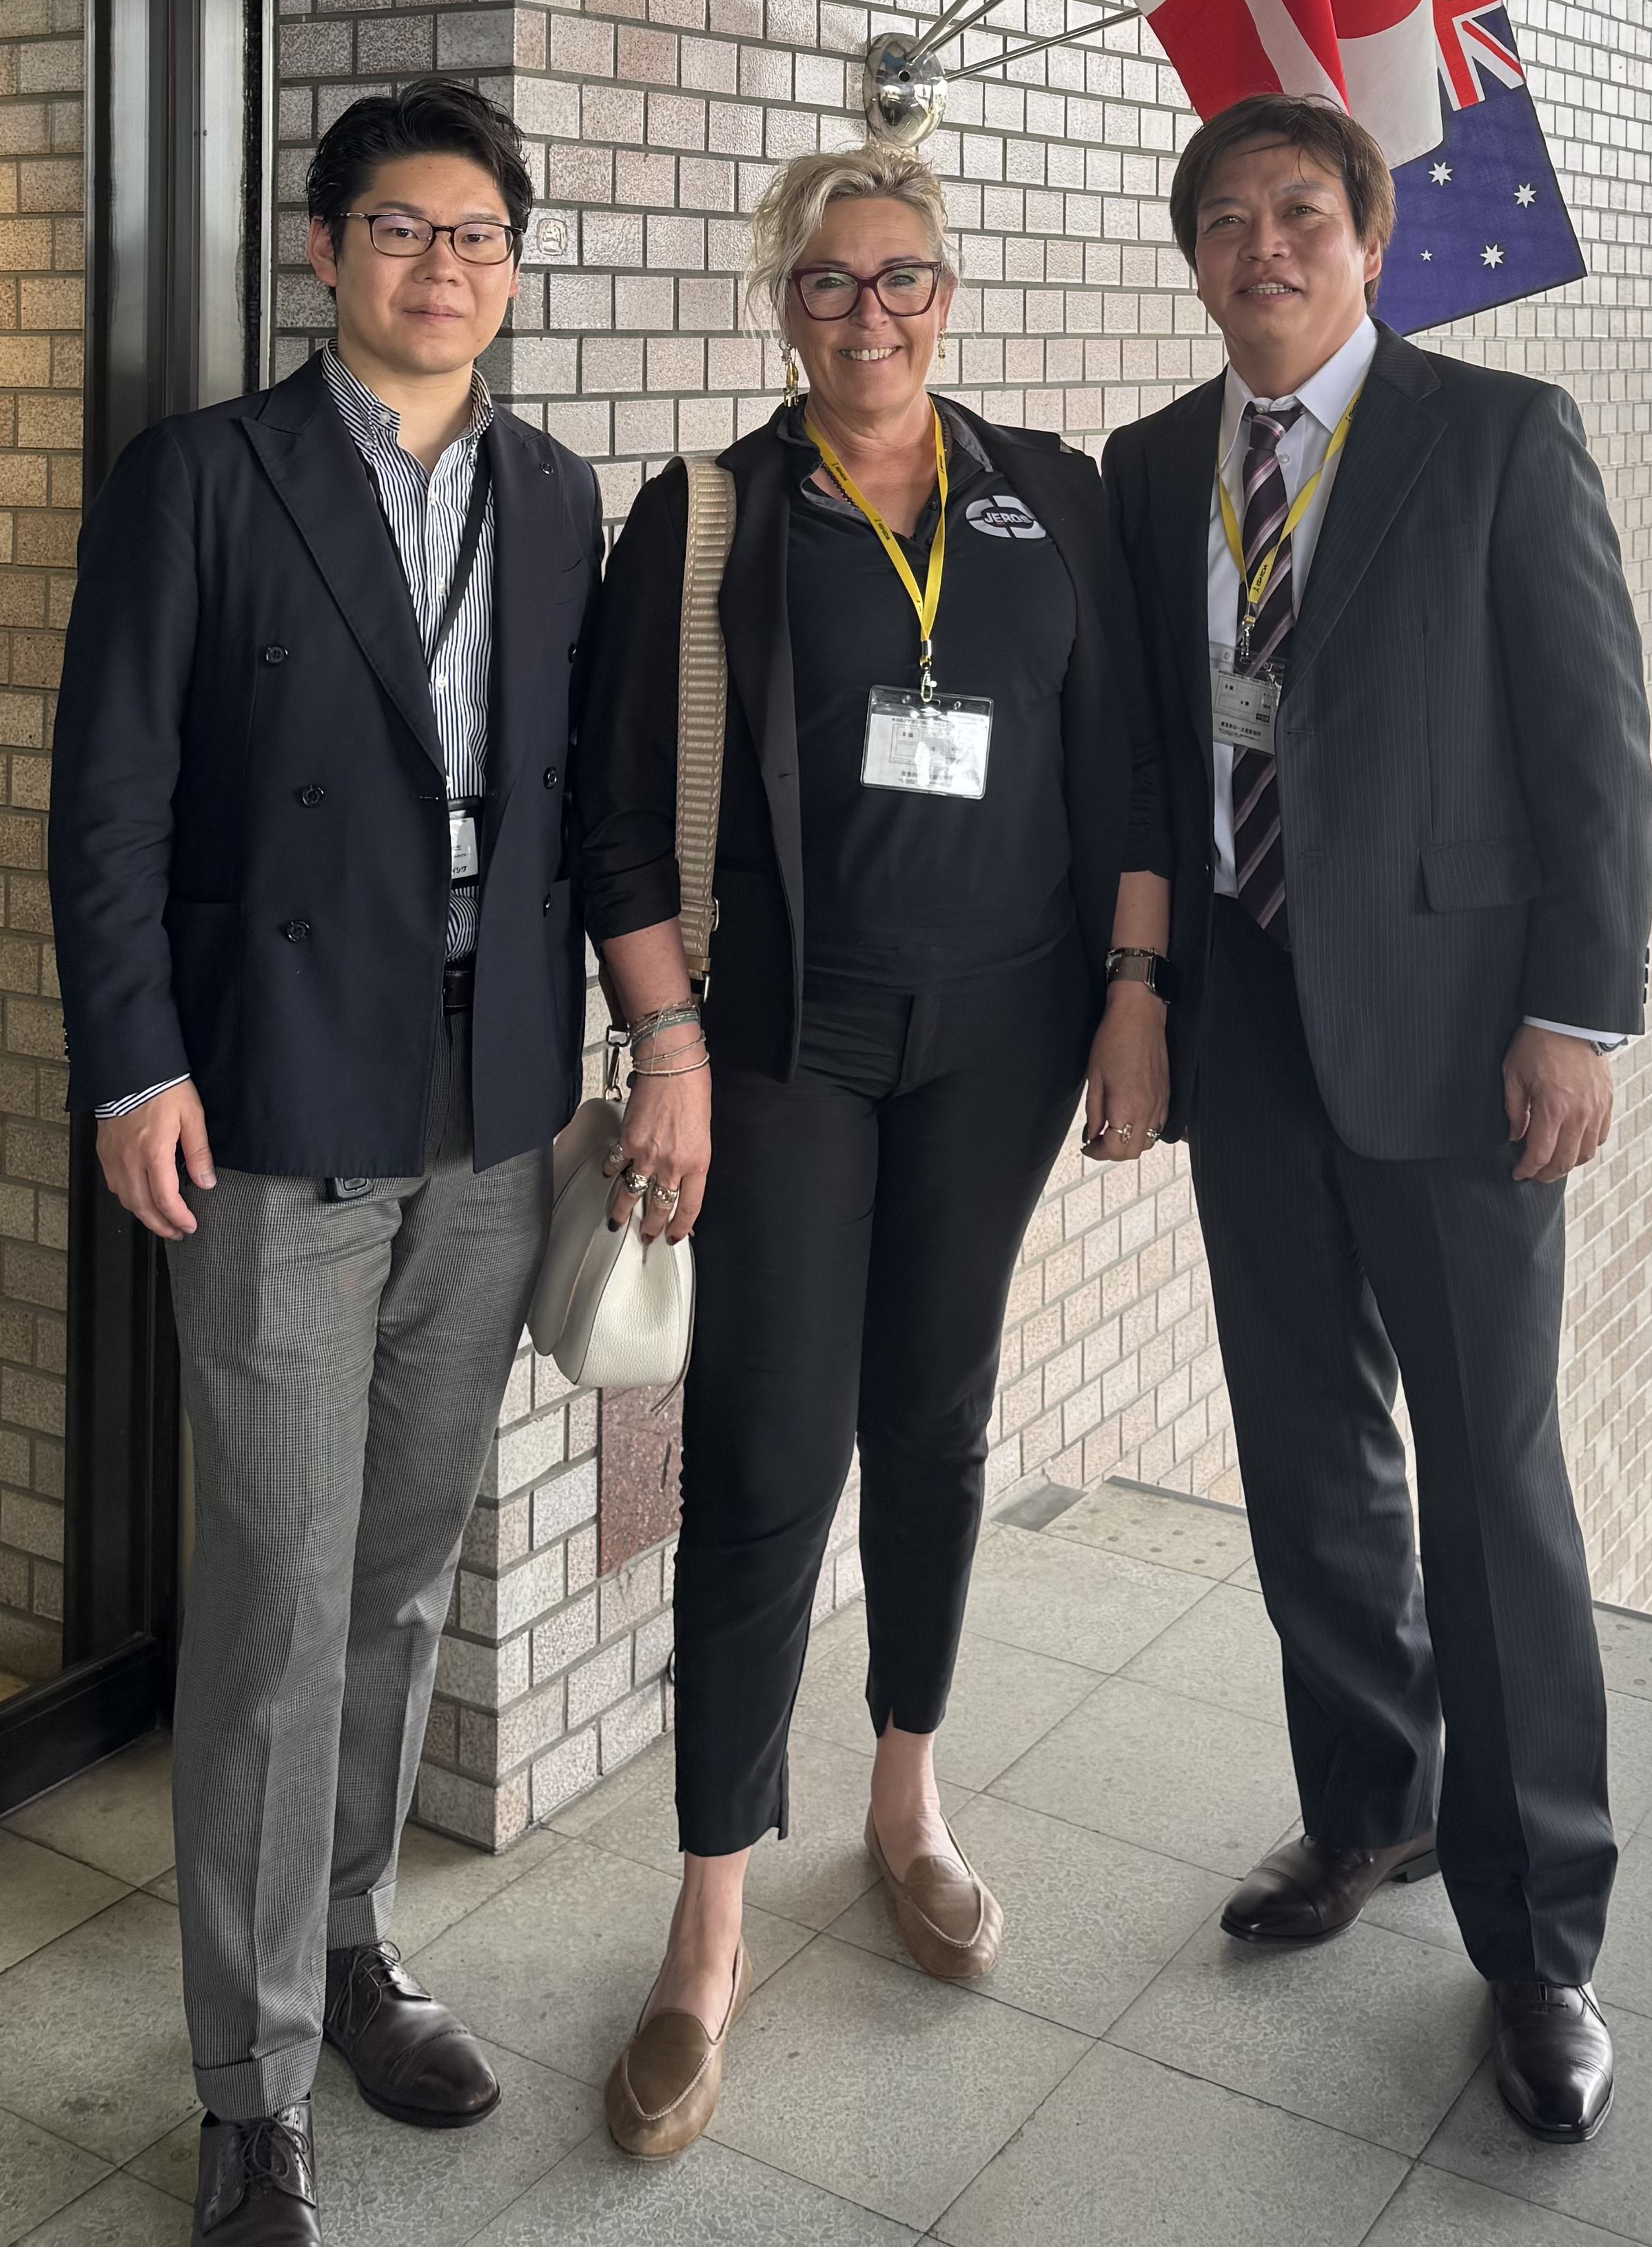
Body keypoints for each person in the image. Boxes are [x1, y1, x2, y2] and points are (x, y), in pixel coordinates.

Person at [573, 144, 1172, 2161]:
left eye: (904, 279)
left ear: (949, 292)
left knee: (936, 1417)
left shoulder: (1049, 501)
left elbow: (1125, 769)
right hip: (788, 1047)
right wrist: (665, 1042)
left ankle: (905, 1799)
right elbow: (614, 828)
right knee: (766, 1454)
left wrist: (1132, 986)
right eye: (832, 285)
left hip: (1003, 1037)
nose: (872, 316)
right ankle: (706, 1929)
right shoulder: (710, 515)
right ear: (784, 305)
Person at [48, 79, 602, 2247]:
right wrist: (131, 1067)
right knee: (276, 1602)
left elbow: (592, 805)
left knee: (394, 1574)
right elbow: (110, 796)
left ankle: (351, 1948)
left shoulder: (558, 497)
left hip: (487, 1110)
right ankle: (251, 2081)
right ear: (323, 251)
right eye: (398, 230)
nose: (438, 268)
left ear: (515, 273)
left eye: (475, 238)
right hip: (272, 1101)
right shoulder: (204, 477)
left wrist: (646, 1049)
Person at [1103, 92, 1651, 2148]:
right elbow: (1161, 770)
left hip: (1457, 1051)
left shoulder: (1498, 438)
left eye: (1301, 215)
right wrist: (1138, 1006)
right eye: (1228, 221)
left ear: (1372, 234)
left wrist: (1574, 1018)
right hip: (1245, 1037)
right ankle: (1368, 1813)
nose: (1266, 248)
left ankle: (1539, 1943)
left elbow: (1595, 752)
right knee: (1307, 1453)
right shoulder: (1162, 469)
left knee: (1495, 1491)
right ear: (1198, 255)